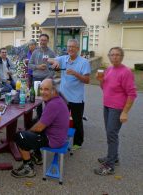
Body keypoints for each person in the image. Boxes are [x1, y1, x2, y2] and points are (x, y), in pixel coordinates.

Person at [11, 78, 69, 178]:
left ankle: (28, 168)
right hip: (57, 135)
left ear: (53, 90)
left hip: (54, 140)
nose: (42, 92)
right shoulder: (57, 99)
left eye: (46, 89)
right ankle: (37, 157)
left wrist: (26, 133)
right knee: (32, 123)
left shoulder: (53, 104)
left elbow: (39, 128)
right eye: (41, 89)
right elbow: (41, 124)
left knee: (20, 136)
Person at [94, 47, 137, 175]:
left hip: (117, 108)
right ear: (109, 56)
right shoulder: (109, 70)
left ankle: (109, 166)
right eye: (112, 55)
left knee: (112, 134)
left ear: (122, 56)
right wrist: (101, 81)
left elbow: (132, 94)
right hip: (107, 106)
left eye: (118, 55)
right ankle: (114, 157)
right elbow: (105, 88)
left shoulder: (126, 72)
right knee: (109, 133)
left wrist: (125, 112)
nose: (115, 57)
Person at [50, 39, 91, 150]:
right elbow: (50, 59)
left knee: (77, 121)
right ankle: (61, 139)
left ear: (77, 49)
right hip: (63, 97)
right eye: (69, 46)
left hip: (77, 98)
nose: (70, 49)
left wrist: (75, 73)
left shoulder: (84, 62)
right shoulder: (63, 59)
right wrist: (55, 62)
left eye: (73, 47)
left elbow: (87, 80)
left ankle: (78, 143)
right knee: (62, 120)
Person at [28, 34, 56, 120]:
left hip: (47, 79)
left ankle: (47, 117)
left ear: (47, 41)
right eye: (41, 40)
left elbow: (54, 68)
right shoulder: (35, 52)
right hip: (36, 79)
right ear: (39, 41)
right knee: (37, 100)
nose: (43, 42)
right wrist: (38, 67)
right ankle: (39, 116)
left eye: (44, 40)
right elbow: (29, 65)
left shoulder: (51, 53)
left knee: (48, 100)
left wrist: (48, 78)